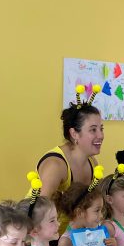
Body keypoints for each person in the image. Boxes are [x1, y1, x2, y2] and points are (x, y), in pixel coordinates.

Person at [34, 85, 104, 235]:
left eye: (101, 129)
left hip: (71, 237)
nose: (100, 135)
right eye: (93, 130)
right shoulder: (56, 165)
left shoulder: (93, 164)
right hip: (42, 236)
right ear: (74, 134)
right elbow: (38, 213)